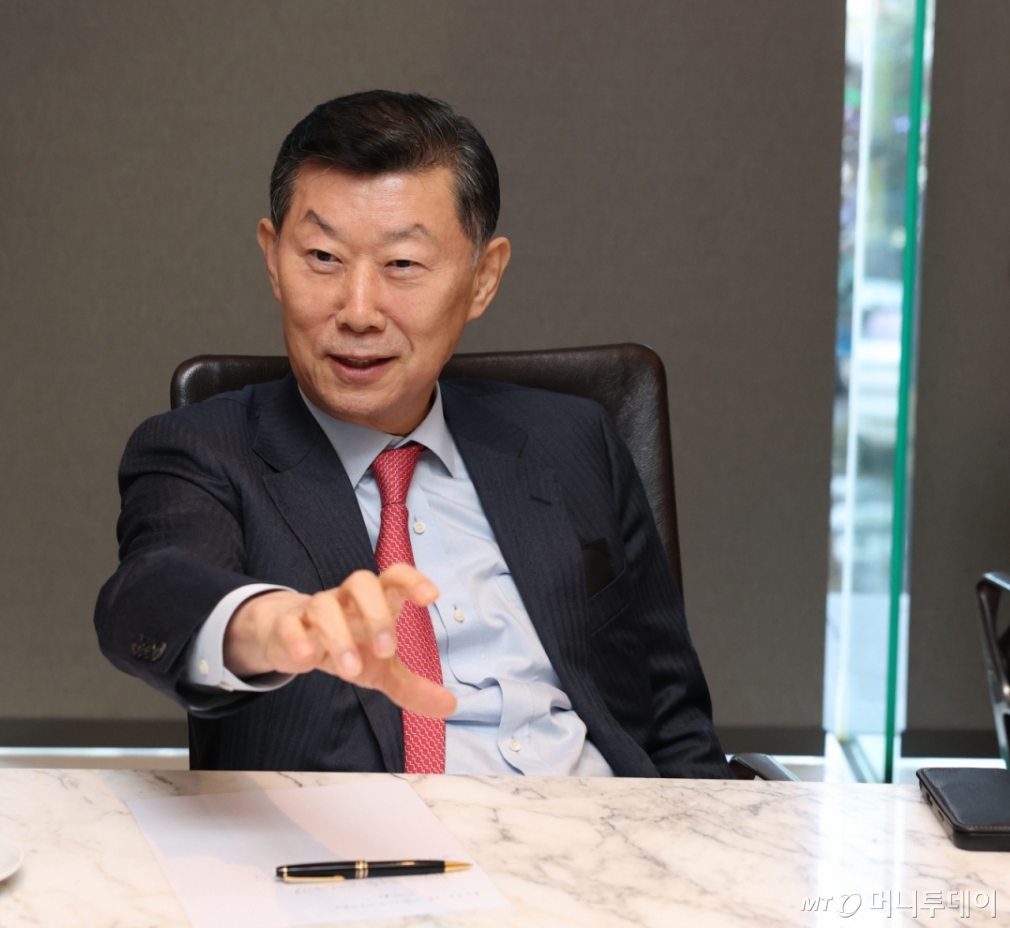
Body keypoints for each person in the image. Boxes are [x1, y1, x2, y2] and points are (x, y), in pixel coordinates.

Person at [95, 90, 732, 778]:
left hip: (597, 830)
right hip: (353, 842)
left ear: (483, 278)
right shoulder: (203, 450)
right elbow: (150, 595)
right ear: (273, 258)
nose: (358, 311)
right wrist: (268, 625)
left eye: (402, 265)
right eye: (323, 257)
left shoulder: (571, 440)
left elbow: (674, 721)